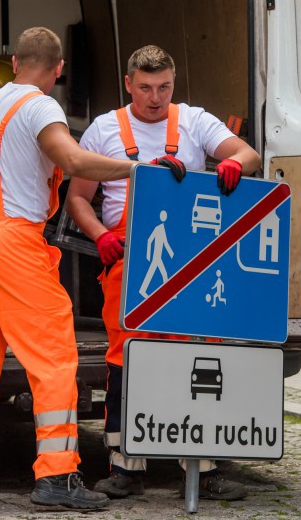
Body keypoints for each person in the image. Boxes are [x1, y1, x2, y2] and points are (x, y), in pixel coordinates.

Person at [0, 28, 173, 510]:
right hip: (12, 241)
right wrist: (136, 169)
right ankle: (58, 476)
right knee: (52, 357)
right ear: (59, 68)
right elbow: (69, 158)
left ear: (14, 62)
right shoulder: (41, 107)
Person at [65, 44, 261, 501]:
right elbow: (77, 198)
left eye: (164, 87)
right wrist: (100, 235)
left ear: (174, 84)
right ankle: (125, 468)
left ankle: (204, 470)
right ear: (128, 84)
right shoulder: (103, 129)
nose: (155, 98)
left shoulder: (194, 120)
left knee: (198, 358)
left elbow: (248, 154)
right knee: (126, 360)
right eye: (146, 88)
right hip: (127, 259)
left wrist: (234, 162)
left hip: (194, 262)